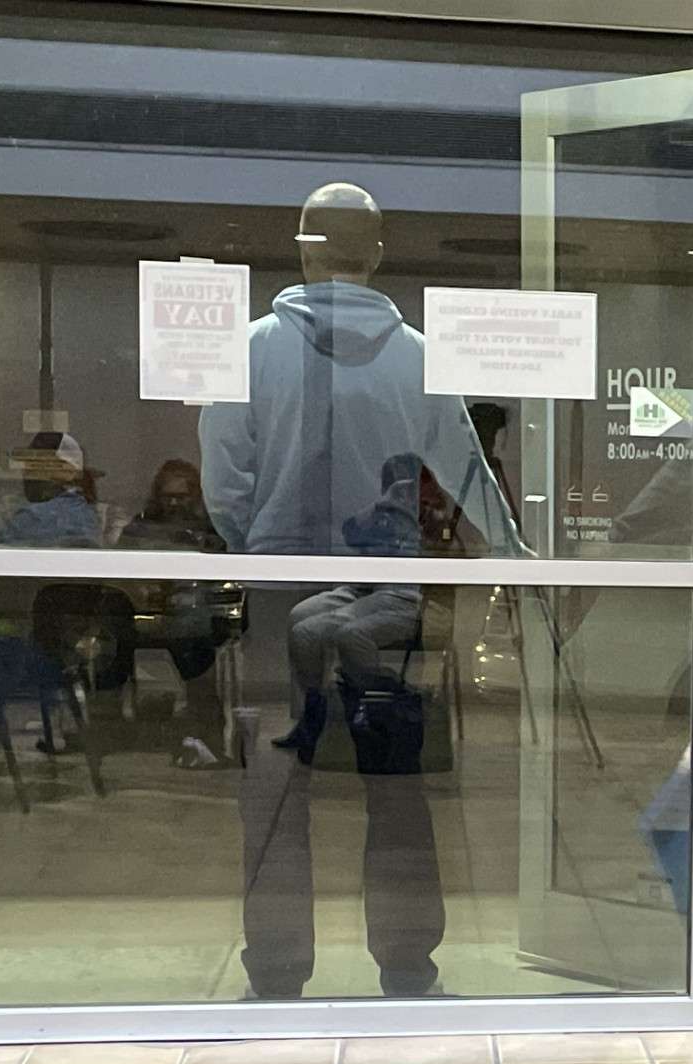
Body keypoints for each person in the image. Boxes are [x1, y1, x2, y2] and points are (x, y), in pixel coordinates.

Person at [198, 180, 522, 1002]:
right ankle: (408, 965)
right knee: (395, 781)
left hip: (279, 592)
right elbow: (466, 472)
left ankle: (275, 973)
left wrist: (261, 545)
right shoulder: (416, 356)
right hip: (386, 592)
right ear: (376, 252)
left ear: (302, 249)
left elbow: (224, 480)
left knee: (275, 787)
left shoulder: (247, 350)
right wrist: (520, 559)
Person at [119, 459, 228, 767]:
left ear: (195, 496)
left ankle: (207, 734)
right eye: (168, 496)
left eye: (182, 497)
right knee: (108, 635)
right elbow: (118, 563)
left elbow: (223, 572)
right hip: (145, 608)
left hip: (194, 610)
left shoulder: (210, 527)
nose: (174, 503)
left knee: (194, 640)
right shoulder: (142, 524)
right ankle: (110, 727)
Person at [0, 432, 101, 547]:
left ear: (67, 471)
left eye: (37, 463)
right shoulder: (85, 512)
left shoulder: (36, 517)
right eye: (28, 463)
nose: (27, 471)